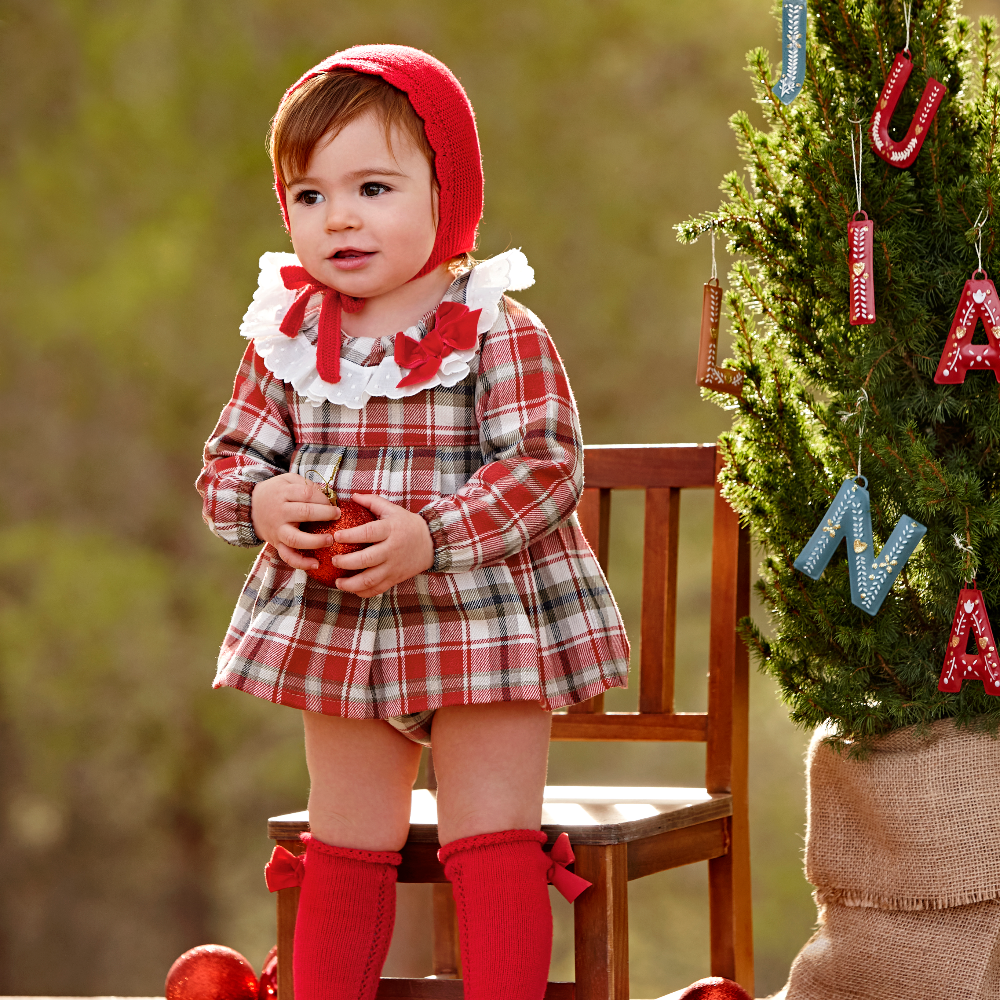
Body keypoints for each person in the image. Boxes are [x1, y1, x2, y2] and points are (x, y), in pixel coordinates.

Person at [196, 44, 629, 1000]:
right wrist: (264, 503)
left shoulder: (495, 327)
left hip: (481, 615)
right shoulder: (287, 339)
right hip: (342, 617)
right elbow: (229, 464)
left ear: (449, 195)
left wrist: (432, 534)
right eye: (308, 196)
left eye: (375, 187)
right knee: (346, 837)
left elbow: (545, 466)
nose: (339, 216)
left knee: (493, 835)